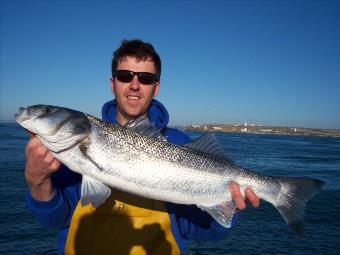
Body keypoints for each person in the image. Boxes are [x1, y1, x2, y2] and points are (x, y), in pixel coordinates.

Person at [24, 39, 260, 255]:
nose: (135, 85)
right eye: (125, 75)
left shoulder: (179, 144)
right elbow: (54, 219)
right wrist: (38, 181)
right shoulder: (67, 153)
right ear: (112, 83)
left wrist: (226, 208)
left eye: (145, 78)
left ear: (155, 87)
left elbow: (199, 231)